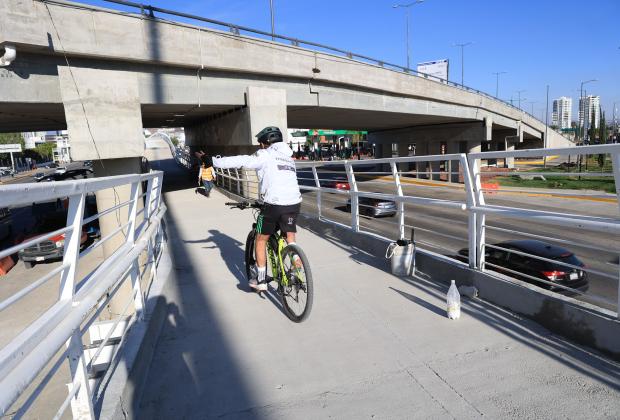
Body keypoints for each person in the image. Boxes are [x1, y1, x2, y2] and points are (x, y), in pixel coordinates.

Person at [213, 126, 302, 291]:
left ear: (265, 143)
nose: (260, 146)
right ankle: (298, 267)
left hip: (274, 205)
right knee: (290, 235)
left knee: (261, 239)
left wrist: (215, 161)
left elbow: (242, 160)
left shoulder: (265, 154)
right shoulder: (288, 158)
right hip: (294, 204)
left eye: (261, 143)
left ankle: (261, 279)